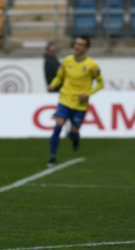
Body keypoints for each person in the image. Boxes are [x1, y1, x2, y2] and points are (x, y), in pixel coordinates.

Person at [47, 36, 103, 167]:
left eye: (81, 45)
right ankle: (52, 157)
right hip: (65, 99)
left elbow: (101, 84)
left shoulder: (92, 65)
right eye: (76, 44)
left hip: (80, 104)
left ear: (86, 48)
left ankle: (75, 139)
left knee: (73, 132)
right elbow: (59, 77)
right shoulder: (67, 60)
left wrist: (88, 94)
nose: (77, 46)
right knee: (57, 128)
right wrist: (53, 85)